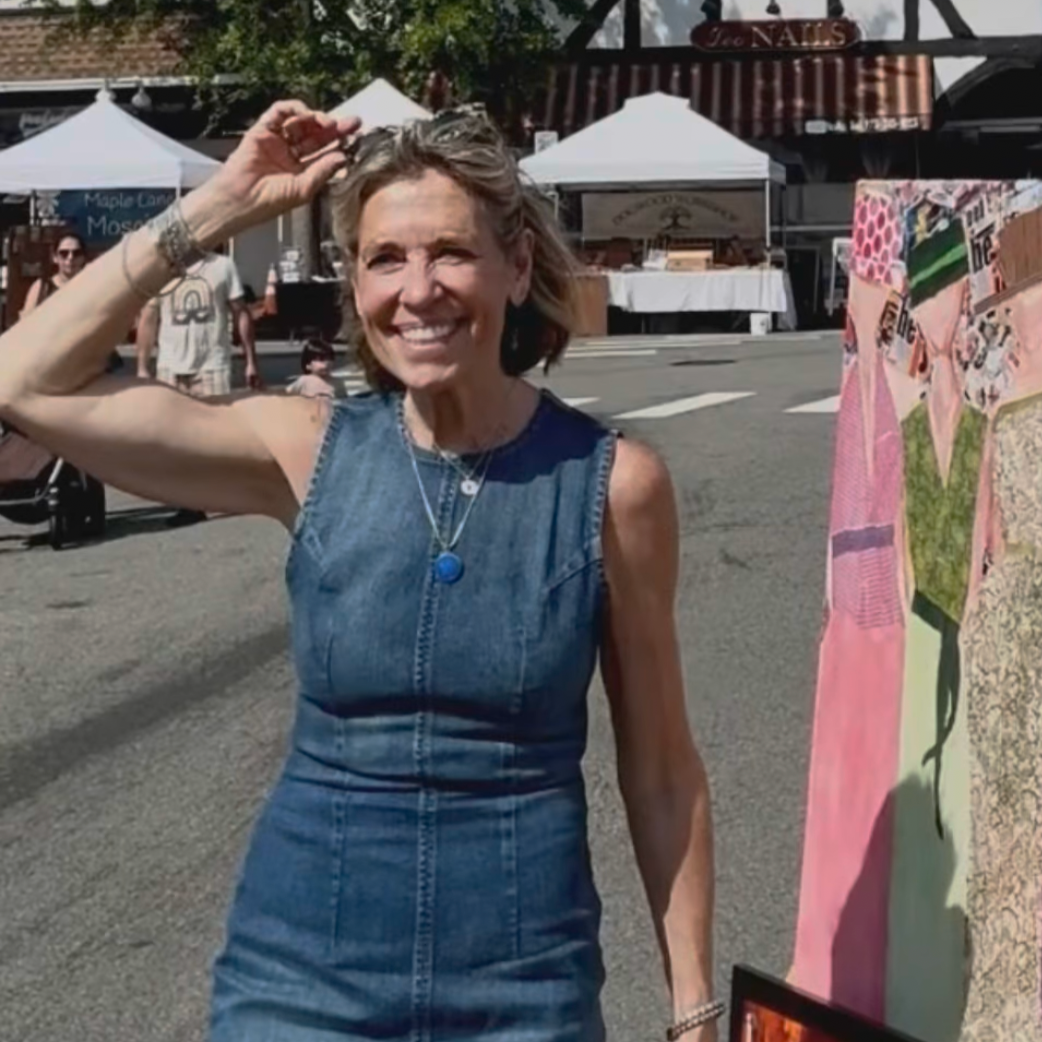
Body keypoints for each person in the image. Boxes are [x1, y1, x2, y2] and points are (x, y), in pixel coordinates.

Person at [0, 101, 717, 1042]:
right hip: (296, 988)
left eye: (451, 253)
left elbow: (661, 772)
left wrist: (694, 1013)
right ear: (356, 281)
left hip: (524, 992)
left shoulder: (611, 485)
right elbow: (24, 382)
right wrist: (221, 204)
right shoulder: (307, 450)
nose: (418, 290)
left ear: (518, 266)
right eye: (385, 258)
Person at [135, 242, 261, 526]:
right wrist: (143, 366)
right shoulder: (162, 269)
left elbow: (240, 312)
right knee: (175, 437)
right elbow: (149, 317)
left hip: (211, 362)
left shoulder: (222, 266)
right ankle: (189, 502)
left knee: (216, 433)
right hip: (171, 364)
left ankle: (226, 492)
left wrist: (251, 359)